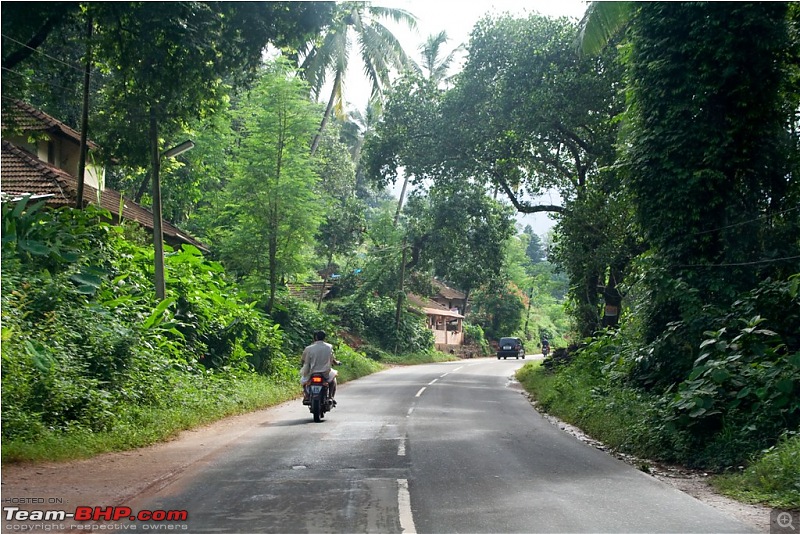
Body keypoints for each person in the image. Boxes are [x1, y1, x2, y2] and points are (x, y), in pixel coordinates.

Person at [301, 330, 339, 403]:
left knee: (304, 381)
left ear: (315, 337)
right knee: (333, 380)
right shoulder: (329, 347)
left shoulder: (309, 348)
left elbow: (303, 360)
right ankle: (331, 397)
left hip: (311, 372)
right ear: (324, 337)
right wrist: (336, 363)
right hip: (325, 372)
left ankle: (306, 395)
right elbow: (332, 359)